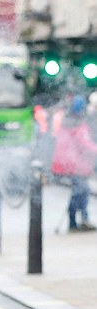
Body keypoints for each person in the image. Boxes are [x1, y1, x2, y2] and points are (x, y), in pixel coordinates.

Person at [52, 95, 97, 232]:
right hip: (75, 164)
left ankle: (82, 218)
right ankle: (75, 220)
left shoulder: (67, 121)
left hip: (70, 163)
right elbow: (84, 143)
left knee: (81, 191)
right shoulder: (78, 124)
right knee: (80, 191)